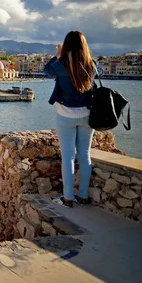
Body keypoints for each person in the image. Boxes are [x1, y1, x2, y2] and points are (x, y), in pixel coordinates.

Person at [44, 31, 102, 208]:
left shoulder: (61, 65)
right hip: (87, 116)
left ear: (66, 45)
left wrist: (59, 55)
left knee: (68, 157)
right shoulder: (91, 64)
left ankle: (68, 197)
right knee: (85, 155)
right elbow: (100, 72)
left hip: (65, 116)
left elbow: (46, 70)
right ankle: (83, 195)